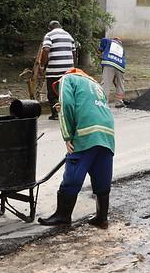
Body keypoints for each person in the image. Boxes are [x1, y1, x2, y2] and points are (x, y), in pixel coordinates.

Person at [38, 68, 115, 229]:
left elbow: (67, 105)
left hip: (86, 131)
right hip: (107, 134)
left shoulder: (68, 79)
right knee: (102, 174)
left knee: (73, 174)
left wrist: (68, 136)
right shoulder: (94, 84)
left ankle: (62, 216)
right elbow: (88, 105)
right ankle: (102, 218)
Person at [40, 20, 75, 120]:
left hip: (54, 70)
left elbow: (46, 50)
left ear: (50, 28)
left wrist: (42, 65)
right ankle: (68, 113)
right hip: (68, 70)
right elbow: (74, 52)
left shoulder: (49, 35)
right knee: (65, 92)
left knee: (52, 93)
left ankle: (55, 114)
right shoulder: (69, 36)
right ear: (60, 26)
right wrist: (72, 67)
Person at [97, 37, 126, 108]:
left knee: (106, 83)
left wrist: (100, 50)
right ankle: (119, 102)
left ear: (114, 39)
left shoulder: (109, 41)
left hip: (109, 63)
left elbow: (103, 40)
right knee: (120, 84)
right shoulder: (122, 48)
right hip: (120, 66)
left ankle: (104, 103)